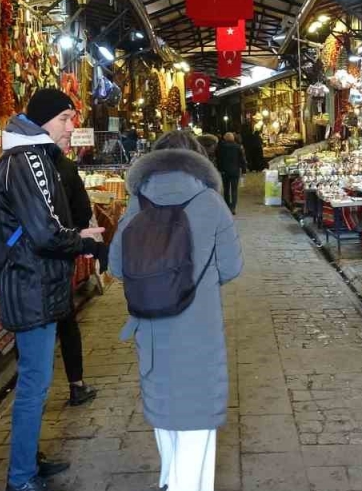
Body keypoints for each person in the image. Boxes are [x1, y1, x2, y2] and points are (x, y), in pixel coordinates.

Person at [110, 131, 244, 491]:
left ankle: (169, 479)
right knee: (198, 424)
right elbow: (231, 267)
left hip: (152, 331)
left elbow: (116, 267)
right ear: (198, 160)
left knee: (165, 414)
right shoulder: (211, 202)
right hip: (199, 330)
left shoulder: (138, 201)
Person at [0, 89, 106, 491]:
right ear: (42, 121)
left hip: (36, 284)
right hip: (31, 286)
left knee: (35, 382)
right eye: (64, 118)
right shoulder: (26, 161)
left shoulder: (31, 157)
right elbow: (45, 233)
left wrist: (75, 236)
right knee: (34, 385)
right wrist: (81, 239)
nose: (71, 126)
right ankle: (21, 478)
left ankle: (27, 461)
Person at [54, 151, 98, 407]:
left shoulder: (13, 164)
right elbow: (82, 210)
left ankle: (32, 393)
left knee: (31, 330)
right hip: (59, 257)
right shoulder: (64, 166)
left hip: (24, 264)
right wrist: (74, 236)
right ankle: (76, 384)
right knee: (66, 320)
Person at [215, 132, 244, 214]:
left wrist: (220, 169)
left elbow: (218, 159)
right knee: (234, 190)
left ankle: (227, 206)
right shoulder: (237, 147)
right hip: (235, 171)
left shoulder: (221, 147)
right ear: (233, 138)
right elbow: (241, 159)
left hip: (224, 171)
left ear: (225, 138)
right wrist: (244, 170)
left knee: (226, 190)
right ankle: (233, 207)